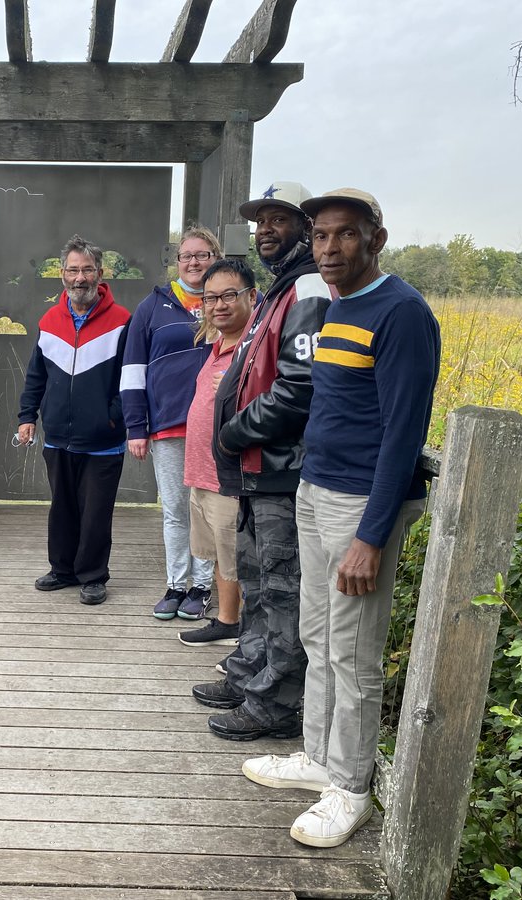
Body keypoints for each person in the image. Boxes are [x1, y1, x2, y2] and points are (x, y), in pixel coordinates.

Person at [241, 189, 441, 849]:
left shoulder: (402, 312)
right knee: (319, 637)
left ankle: (352, 788)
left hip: (360, 506)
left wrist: (371, 536)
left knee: (354, 654)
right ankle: (320, 758)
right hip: (315, 491)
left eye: (345, 235)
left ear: (375, 239)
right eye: (321, 235)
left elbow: (404, 434)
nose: (330, 248)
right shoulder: (335, 307)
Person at [189, 181, 334, 740]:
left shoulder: (308, 291)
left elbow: (300, 386)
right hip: (253, 469)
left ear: (304, 226)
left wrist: (233, 431)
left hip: (279, 466)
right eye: (260, 221)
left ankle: (275, 703)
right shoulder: (280, 289)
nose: (266, 230)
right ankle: (250, 672)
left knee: (280, 586)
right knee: (253, 575)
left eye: (279, 219)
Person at [18, 234, 131, 605]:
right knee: (62, 507)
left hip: (104, 439)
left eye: (87, 270)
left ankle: (94, 575)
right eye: (72, 270)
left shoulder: (122, 321)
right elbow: (37, 375)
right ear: (62, 274)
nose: (79, 277)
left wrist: (113, 418)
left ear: (100, 273)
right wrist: (27, 416)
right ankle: (62, 569)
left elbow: (129, 379)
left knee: (96, 512)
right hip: (58, 437)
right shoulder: (49, 320)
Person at [121, 225, 221, 622]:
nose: (194, 262)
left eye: (202, 255)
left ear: (216, 257)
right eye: (186, 256)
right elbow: (132, 370)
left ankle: (202, 587)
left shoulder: (233, 299)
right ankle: (176, 584)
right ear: (176, 262)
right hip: (169, 426)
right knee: (176, 510)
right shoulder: (153, 306)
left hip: (219, 427)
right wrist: (135, 426)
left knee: (210, 509)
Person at [175, 257, 257, 647]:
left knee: (237, 556)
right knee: (220, 555)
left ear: (251, 296)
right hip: (204, 471)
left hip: (231, 474)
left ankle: (246, 636)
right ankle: (226, 620)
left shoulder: (253, 348)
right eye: (210, 298)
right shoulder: (217, 344)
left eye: (229, 295)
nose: (219, 305)